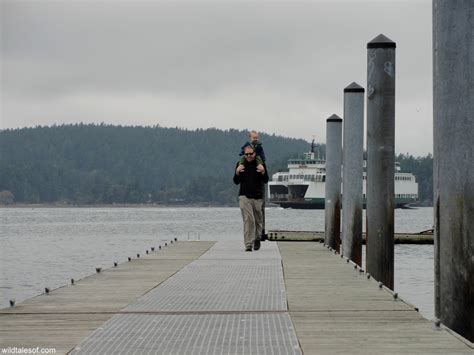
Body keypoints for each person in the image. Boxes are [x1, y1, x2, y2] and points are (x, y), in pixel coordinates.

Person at [233, 145, 269, 251]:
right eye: (246, 154)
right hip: (244, 196)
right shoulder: (240, 164)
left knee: (258, 220)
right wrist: (237, 172)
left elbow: (266, 180)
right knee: (249, 220)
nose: (248, 156)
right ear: (244, 155)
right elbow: (236, 181)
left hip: (257, 197)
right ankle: (248, 244)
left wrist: (263, 171)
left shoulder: (260, 164)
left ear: (254, 154)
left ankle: (257, 238)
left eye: (250, 154)